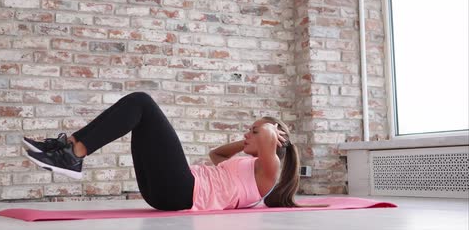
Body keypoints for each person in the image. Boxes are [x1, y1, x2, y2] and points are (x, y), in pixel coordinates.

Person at [23, 92, 300, 211]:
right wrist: (247, 142)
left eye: (253, 131)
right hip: (164, 193)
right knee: (138, 117)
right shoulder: (245, 167)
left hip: (182, 191)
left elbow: (266, 137)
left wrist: (268, 131)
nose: (246, 134)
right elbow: (216, 155)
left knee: (142, 102)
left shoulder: (269, 172)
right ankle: (68, 148)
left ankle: (73, 154)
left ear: (274, 140)